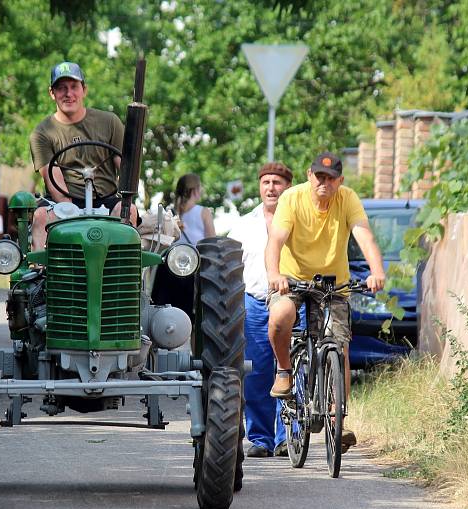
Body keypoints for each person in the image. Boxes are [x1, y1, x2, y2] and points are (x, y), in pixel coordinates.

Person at [265, 151, 386, 452]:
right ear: (310, 175)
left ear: (339, 181)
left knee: (338, 344)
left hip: (332, 284)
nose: (325, 182)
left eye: (331, 178)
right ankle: (284, 370)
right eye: (319, 176)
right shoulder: (292, 199)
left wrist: (377, 272)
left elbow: (364, 236)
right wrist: (274, 274)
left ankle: (336, 418)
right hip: (292, 279)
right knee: (281, 315)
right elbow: (276, 241)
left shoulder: (347, 199)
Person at [28, 60, 136, 250]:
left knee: (128, 211)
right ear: (52, 93)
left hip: (106, 198)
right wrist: (72, 213)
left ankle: (118, 273)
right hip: (64, 201)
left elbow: (125, 167)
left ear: (84, 90)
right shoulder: (42, 133)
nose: (68, 94)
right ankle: (41, 273)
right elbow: (54, 182)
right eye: (61, 88)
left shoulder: (109, 122)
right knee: (41, 216)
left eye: (73, 87)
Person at [228, 162, 295, 458]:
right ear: (259, 187)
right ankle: (260, 438)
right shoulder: (244, 224)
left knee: (290, 368)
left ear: (288, 187)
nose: (271, 188)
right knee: (256, 372)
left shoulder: (298, 221)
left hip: (290, 300)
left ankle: (287, 437)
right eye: (266, 182)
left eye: (277, 182)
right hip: (254, 302)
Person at [151, 173, 215, 321]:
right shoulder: (203, 212)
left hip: (169, 265)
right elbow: (211, 243)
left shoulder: (170, 212)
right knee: (187, 314)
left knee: (164, 309)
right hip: (191, 268)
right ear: (195, 190)